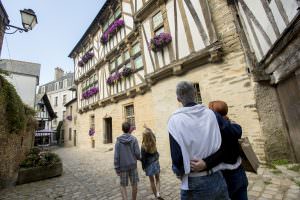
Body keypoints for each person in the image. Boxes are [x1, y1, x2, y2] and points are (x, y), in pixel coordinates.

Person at [167, 81, 230, 200]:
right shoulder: (211, 114)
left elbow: (177, 159)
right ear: (195, 94)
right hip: (218, 177)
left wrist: (180, 171)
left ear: (178, 99)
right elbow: (224, 147)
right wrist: (207, 163)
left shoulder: (174, 121)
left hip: (195, 183)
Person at [191, 100, 248, 200]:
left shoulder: (217, 130)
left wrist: (205, 163)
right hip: (240, 174)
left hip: (226, 177)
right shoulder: (232, 125)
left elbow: (223, 152)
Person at [114, 122, 141, 200]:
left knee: (123, 185)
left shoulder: (118, 141)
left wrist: (116, 168)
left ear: (122, 129)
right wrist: (140, 159)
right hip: (133, 165)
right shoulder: (134, 139)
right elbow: (137, 153)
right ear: (129, 129)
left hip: (123, 167)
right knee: (134, 184)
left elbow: (116, 156)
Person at [141, 125, 162, 199]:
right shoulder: (154, 141)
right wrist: (148, 128)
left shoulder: (143, 146)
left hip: (148, 165)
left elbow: (143, 158)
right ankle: (158, 193)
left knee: (152, 181)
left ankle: (156, 195)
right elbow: (152, 134)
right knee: (157, 178)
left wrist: (143, 167)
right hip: (156, 162)